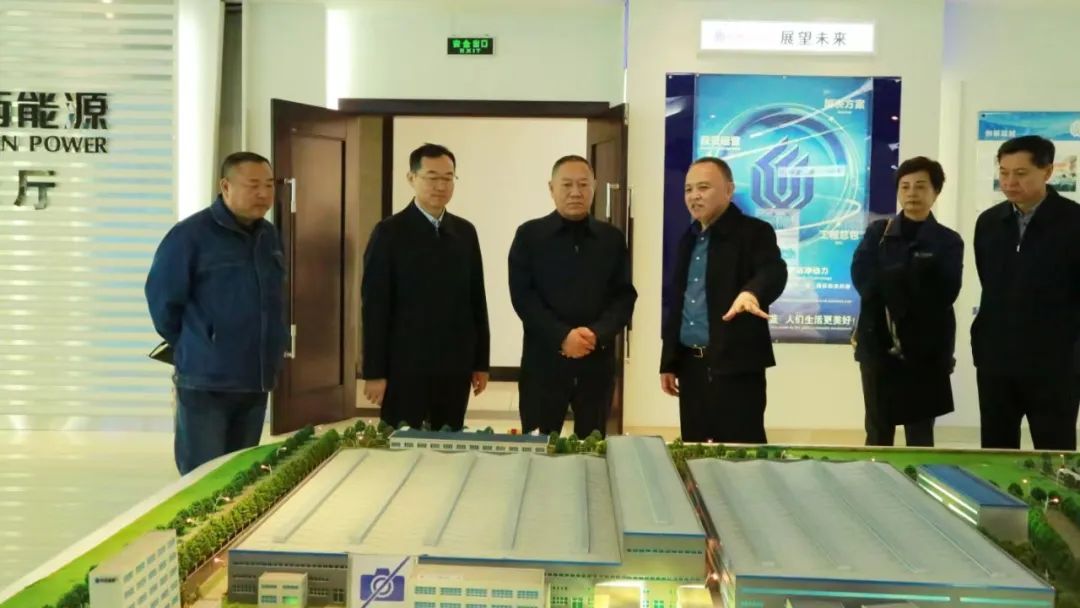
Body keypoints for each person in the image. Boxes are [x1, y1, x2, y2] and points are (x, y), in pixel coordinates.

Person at [145, 152, 288, 475]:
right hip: (206, 380)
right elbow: (163, 301)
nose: (263, 194)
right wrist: (198, 342)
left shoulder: (269, 236)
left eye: (269, 185)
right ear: (225, 186)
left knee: (240, 474)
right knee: (203, 474)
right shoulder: (190, 235)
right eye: (253, 185)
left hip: (255, 378)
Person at [361, 143, 490, 431]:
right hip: (404, 364)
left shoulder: (464, 232)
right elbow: (375, 306)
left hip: (454, 364)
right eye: (432, 177)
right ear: (412, 178)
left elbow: (476, 300)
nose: (440, 186)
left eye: (448, 178)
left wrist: (481, 363)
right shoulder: (389, 233)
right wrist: (374, 372)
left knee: (448, 442)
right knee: (400, 443)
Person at [659, 157, 787, 443]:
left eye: (703, 187)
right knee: (695, 448)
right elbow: (678, 303)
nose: (694, 196)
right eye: (688, 189)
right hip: (691, 367)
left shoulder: (754, 232)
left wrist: (751, 292)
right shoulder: (688, 239)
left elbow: (773, 270)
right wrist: (668, 362)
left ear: (729, 190)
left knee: (740, 451)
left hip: (736, 365)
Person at [508, 155, 637, 438]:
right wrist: (563, 336)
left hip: (596, 363)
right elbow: (523, 298)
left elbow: (623, 297)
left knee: (593, 446)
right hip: (544, 363)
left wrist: (596, 334)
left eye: (583, 184)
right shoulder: (530, 235)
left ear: (594, 187)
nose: (576, 192)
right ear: (551, 188)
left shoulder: (611, 239)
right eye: (567, 184)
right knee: (539, 446)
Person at [973, 135, 1080, 451]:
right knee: (995, 450)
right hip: (996, 361)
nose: (1009, 182)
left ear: (1047, 172)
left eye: (1020, 174)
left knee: (1054, 451)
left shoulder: (1074, 222)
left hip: (1055, 364)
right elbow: (990, 283)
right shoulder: (989, 223)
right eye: (1004, 172)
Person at [852, 156, 963, 447]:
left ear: (936, 192)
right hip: (878, 344)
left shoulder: (948, 241)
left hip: (926, 350)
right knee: (878, 430)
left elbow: (945, 292)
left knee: (920, 434)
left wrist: (893, 280)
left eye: (921, 186)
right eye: (905, 186)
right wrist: (911, 276)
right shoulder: (878, 233)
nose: (912, 193)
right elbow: (863, 279)